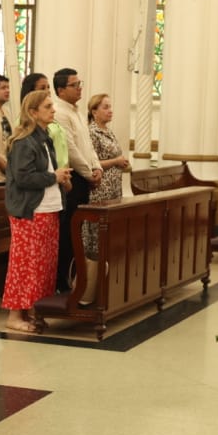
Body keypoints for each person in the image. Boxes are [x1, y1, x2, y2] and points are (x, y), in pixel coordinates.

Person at [3, 90, 71, 333]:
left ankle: (34, 309)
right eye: (47, 106)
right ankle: (14, 315)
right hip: (30, 210)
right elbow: (23, 178)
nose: (53, 110)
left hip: (49, 207)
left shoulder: (45, 137)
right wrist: (54, 177)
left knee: (44, 266)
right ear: (33, 112)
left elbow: (48, 171)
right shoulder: (24, 141)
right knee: (26, 264)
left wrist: (61, 180)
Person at [51, 68, 102, 292]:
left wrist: (97, 166)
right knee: (68, 230)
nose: (80, 88)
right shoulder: (60, 113)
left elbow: (87, 145)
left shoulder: (78, 112)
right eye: (74, 84)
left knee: (77, 230)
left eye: (80, 83)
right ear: (61, 90)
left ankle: (74, 276)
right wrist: (89, 173)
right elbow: (70, 149)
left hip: (84, 176)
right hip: (74, 177)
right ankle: (62, 279)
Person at [80, 94, 131, 304]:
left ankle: (105, 282)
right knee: (96, 235)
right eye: (105, 107)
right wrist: (116, 161)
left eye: (110, 107)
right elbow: (91, 161)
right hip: (100, 189)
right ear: (94, 111)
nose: (110, 111)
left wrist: (122, 163)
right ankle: (90, 285)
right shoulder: (91, 132)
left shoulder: (108, 131)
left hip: (113, 189)